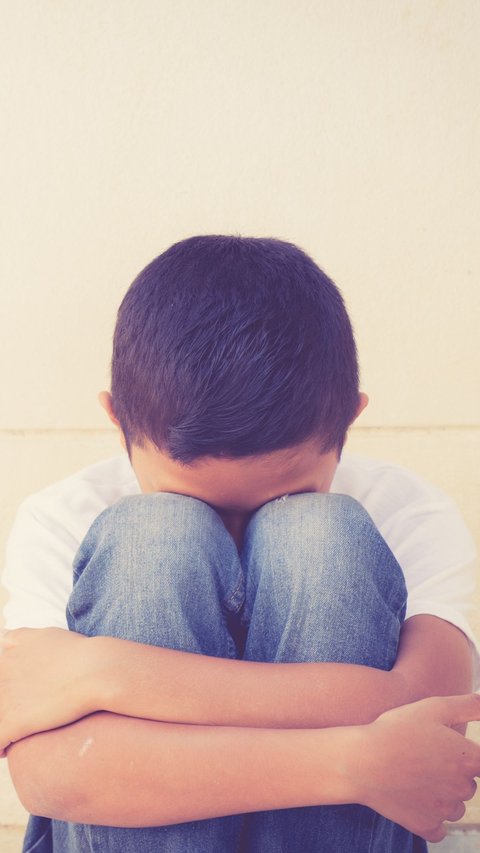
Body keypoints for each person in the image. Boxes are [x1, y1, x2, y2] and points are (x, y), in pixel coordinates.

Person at [1, 235, 479, 853]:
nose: (238, 532)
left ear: (349, 420)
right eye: (197, 500)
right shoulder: (64, 517)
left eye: (282, 497)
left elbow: (428, 715)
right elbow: (54, 776)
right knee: (153, 536)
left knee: (320, 535)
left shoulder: (408, 511)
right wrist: (352, 757)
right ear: (117, 419)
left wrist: (105, 674)